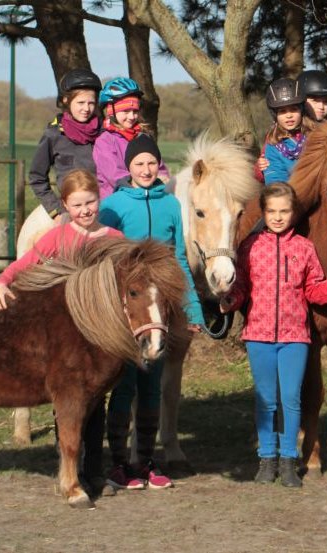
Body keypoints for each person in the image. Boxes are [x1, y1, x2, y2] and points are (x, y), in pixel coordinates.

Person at [0, 169, 123, 494]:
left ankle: (93, 471)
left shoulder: (114, 240)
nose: (85, 210)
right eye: (77, 205)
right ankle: (70, 468)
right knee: (70, 405)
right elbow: (26, 263)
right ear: (65, 205)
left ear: (98, 199)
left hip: (100, 343)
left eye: (90, 202)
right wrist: (2, 282)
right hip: (65, 339)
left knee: (95, 409)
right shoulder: (58, 237)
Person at [219, 182, 327, 488]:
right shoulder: (250, 247)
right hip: (259, 336)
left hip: (295, 337)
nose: (278, 217)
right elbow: (241, 289)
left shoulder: (304, 248)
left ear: (293, 213)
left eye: (284, 211)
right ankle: (267, 459)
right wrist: (229, 301)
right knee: (266, 400)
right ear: (264, 213)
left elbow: (313, 289)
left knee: (291, 399)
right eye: (272, 211)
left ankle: (289, 459)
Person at [99, 133, 206, 492]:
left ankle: (145, 461)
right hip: (126, 311)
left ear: (159, 166)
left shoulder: (171, 205)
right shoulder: (114, 204)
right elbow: (104, 260)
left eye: (150, 163)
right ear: (128, 168)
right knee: (124, 386)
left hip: (161, 309)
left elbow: (177, 258)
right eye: (138, 164)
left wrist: (192, 309)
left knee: (151, 387)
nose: (145, 170)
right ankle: (118, 465)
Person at [29, 68, 102, 220]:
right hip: (68, 213)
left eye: (91, 103)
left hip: (103, 209)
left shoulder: (104, 133)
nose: (86, 109)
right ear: (65, 100)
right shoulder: (53, 135)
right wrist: (56, 211)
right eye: (80, 102)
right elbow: (37, 178)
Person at [93, 77, 170, 198]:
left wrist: (162, 182)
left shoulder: (143, 137)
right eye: (126, 111)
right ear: (110, 111)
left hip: (147, 196)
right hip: (118, 202)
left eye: (135, 111)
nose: (131, 116)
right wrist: (144, 185)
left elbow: (159, 167)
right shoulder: (105, 141)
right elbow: (115, 176)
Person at [258, 78, 308, 185]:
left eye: (294, 109)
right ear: (275, 115)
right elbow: (276, 182)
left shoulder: (314, 136)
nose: (289, 115)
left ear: (302, 110)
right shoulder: (273, 147)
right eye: (282, 111)